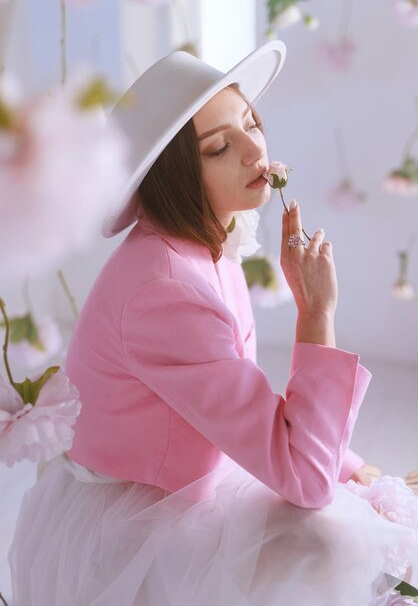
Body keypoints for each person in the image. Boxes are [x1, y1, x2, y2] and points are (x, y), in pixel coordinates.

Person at [9, 40, 418, 606]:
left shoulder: (202, 244)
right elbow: (305, 480)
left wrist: (353, 466)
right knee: (334, 542)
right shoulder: (165, 290)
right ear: (174, 177)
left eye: (252, 121)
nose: (256, 151)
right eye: (221, 147)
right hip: (142, 516)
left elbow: (239, 401)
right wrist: (316, 314)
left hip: (194, 467)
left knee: (353, 511)